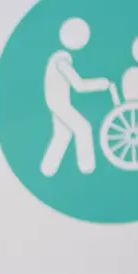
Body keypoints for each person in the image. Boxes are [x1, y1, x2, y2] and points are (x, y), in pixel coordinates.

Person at [41, 16, 114, 176]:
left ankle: (47, 170)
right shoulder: (61, 61)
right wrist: (103, 83)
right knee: (83, 128)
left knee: (63, 134)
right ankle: (87, 169)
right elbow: (79, 85)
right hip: (59, 104)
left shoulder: (57, 60)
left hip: (56, 103)